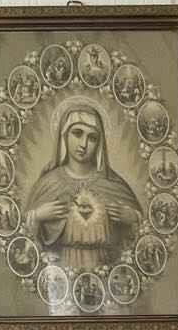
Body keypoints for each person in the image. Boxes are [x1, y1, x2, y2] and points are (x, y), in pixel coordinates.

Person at [24, 105, 142, 271]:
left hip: (106, 269)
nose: (84, 144)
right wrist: (37, 216)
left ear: (99, 143)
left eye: (92, 138)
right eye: (77, 133)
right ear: (64, 135)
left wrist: (133, 217)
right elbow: (22, 234)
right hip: (62, 271)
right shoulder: (48, 183)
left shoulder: (113, 183)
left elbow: (143, 230)